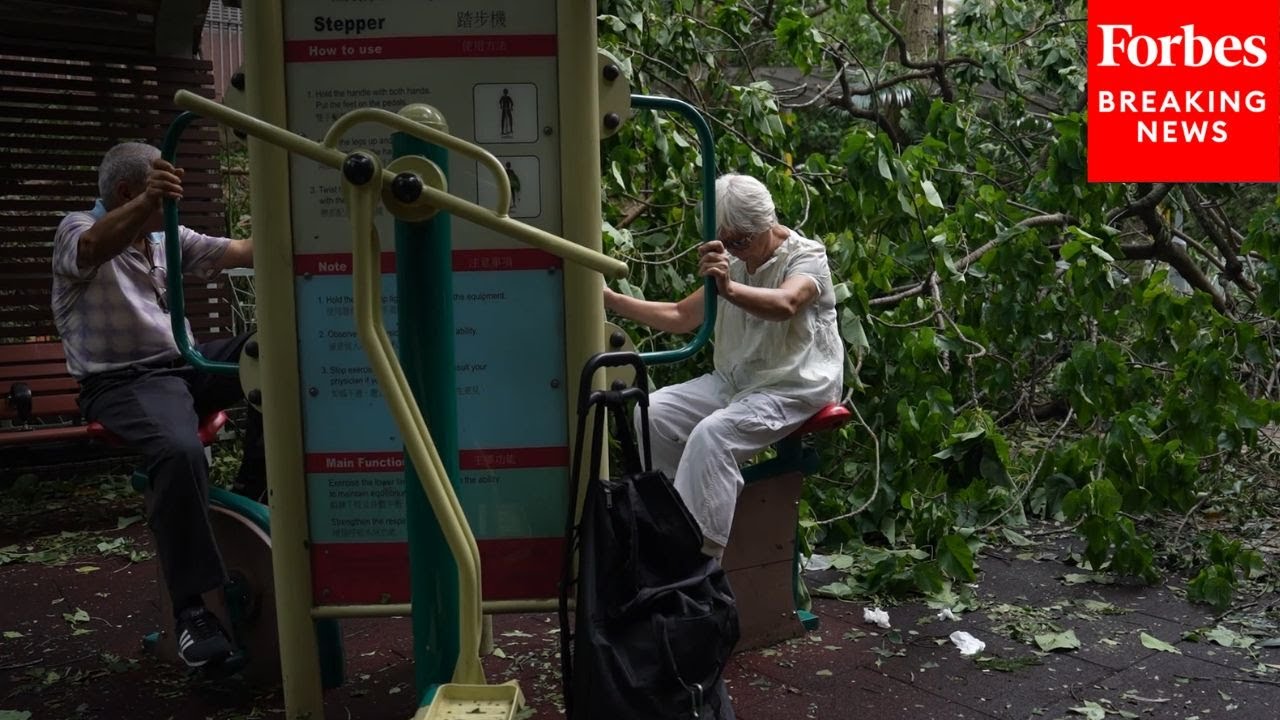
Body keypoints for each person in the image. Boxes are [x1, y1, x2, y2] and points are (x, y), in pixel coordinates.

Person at [51, 142, 264, 668]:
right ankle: (192, 613)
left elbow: (241, 250)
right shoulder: (76, 229)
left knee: (273, 351)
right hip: (124, 382)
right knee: (178, 449)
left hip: (184, 365)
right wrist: (149, 201)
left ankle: (252, 493)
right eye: (161, 194)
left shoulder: (164, 236)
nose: (173, 205)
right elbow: (93, 247)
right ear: (130, 192)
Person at [603, 173, 844, 559]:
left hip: (794, 384)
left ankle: (699, 556)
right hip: (738, 379)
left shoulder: (805, 256)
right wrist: (611, 299)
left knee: (713, 436)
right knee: (653, 414)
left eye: (740, 241)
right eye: (725, 241)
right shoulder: (732, 257)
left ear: (766, 224)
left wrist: (729, 289)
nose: (733, 250)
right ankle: (670, 516)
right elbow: (682, 315)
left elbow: (786, 304)